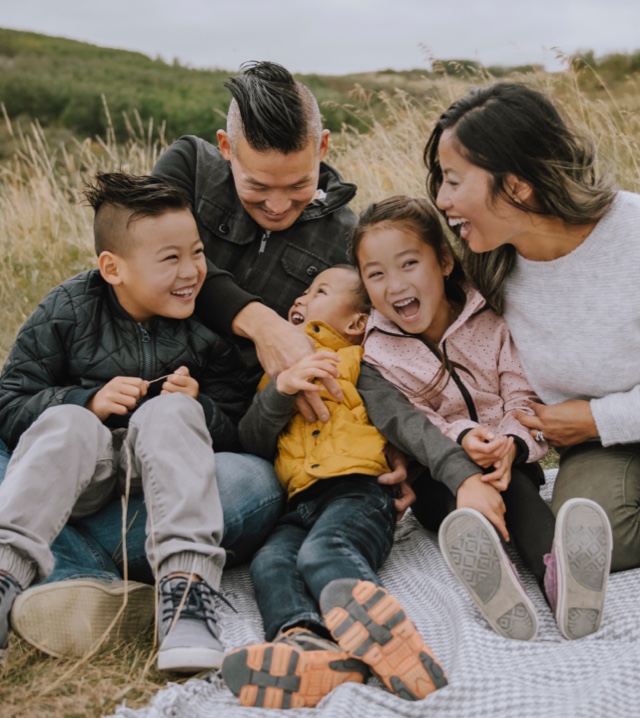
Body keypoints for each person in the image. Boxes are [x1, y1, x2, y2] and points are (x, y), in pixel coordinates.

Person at [0, 60, 363, 658]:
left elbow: (359, 347)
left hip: (191, 461)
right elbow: (19, 398)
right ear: (227, 151)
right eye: (257, 188)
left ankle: (74, 573)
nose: (278, 205)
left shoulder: (341, 240)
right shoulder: (189, 172)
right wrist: (82, 401)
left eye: (298, 186)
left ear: (323, 149)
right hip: (84, 456)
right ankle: (75, 578)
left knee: (253, 484)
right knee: (39, 438)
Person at [0, 172, 249, 672]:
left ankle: (184, 600)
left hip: (161, 477)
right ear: (113, 268)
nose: (192, 272)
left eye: (197, 252)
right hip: (83, 473)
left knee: (176, 411)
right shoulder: (68, 310)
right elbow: (10, 401)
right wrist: (87, 401)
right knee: (68, 423)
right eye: (170, 259)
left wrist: (201, 404)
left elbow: (239, 424)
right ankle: (6, 577)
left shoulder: (205, 325)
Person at [350, 195, 612, 642]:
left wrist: (511, 442)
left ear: (445, 261)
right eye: (376, 274)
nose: (394, 285)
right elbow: (413, 423)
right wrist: (466, 437)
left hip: (510, 459)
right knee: (456, 507)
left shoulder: (487, 318)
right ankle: (497, 578)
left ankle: (561, 579)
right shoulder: (376, 354)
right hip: (439, 477)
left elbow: (519, 390)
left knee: (523, 496)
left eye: (409, 264)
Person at [423, 81, 639, 576]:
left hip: (598, 429)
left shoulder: (633, 235)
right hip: (603, 451)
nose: (441, 198)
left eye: (454, 181)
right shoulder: (487, 270)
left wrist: (595, 419)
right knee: (593, 535)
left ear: (517, 185)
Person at [221, 266, 448, 709]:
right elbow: (252, 440)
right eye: (303, 292)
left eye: (319, 291)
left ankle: (390, 643)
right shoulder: (274, 377)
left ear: (356, 323)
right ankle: (306, 644)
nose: (302, 300)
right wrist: (279, 391)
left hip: (360, 493)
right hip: (299, 500)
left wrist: (453, 471)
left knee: (323, 550)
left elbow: (407, 424)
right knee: (270, 561)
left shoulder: (359, 365)